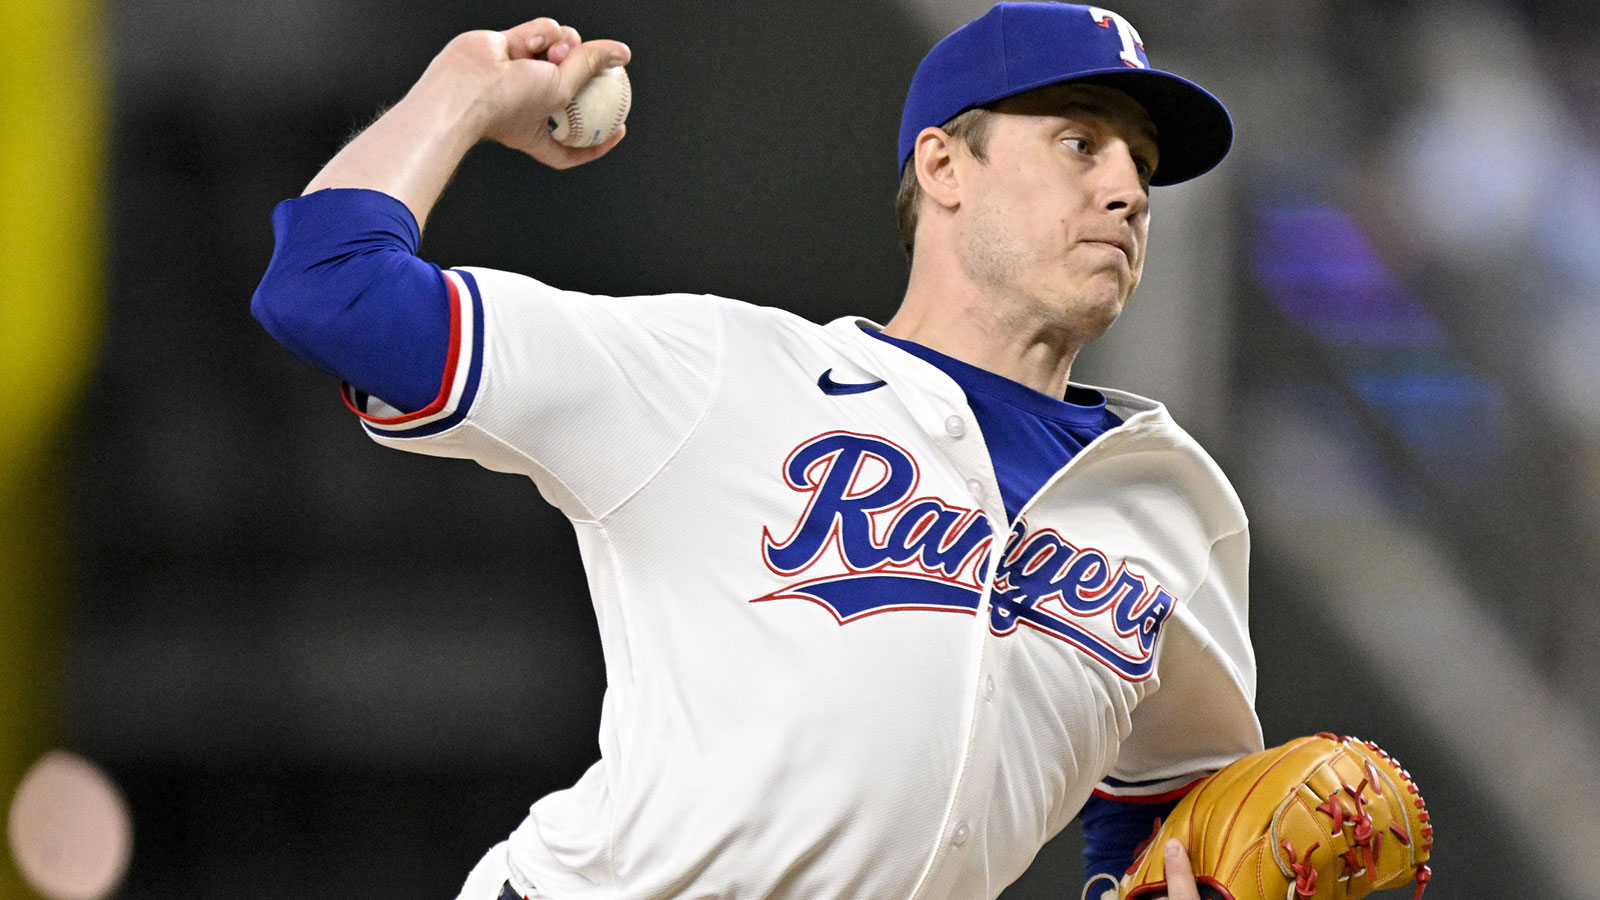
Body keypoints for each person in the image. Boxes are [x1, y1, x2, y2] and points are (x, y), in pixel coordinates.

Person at [251, 4, 1263, 899]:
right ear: (943, 165)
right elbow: (325, 288)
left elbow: (1174, 801)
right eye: (1081, 144)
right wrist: (462, 92)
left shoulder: (1174, 504)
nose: (1129, 191)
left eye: (1142, 163)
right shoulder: (717, 374)